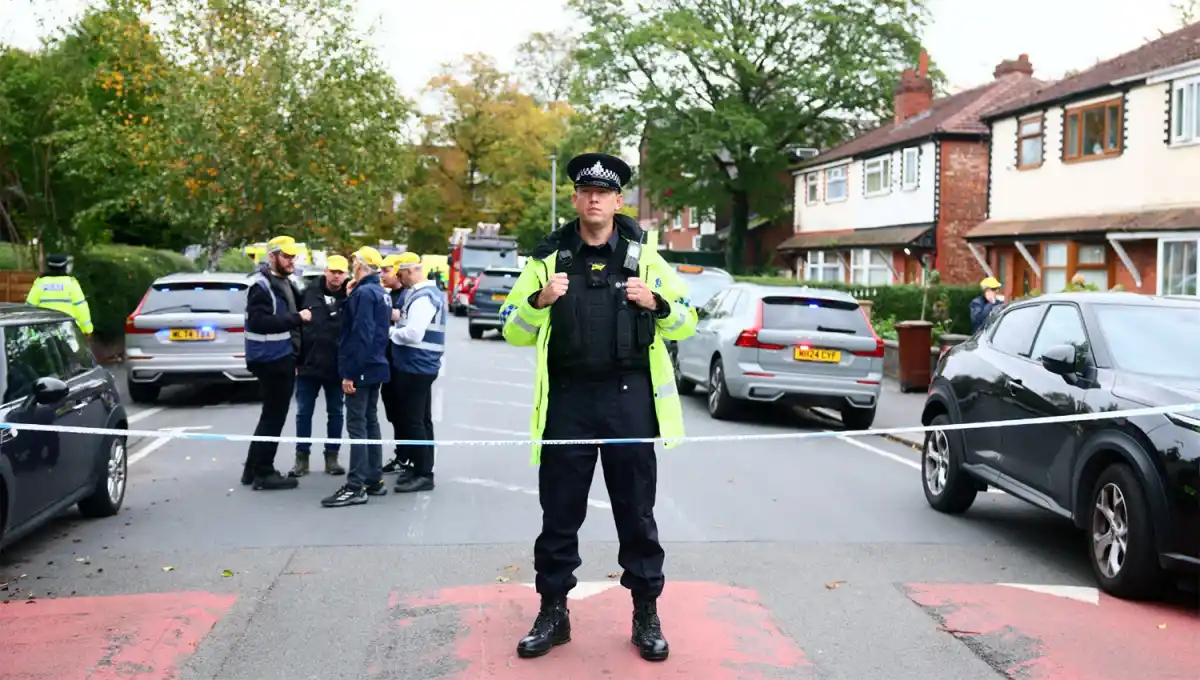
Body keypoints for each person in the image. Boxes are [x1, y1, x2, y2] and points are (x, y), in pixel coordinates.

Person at [499, 152, 696, 662]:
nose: (594, 199)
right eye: (587, 191)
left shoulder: (645, 259)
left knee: (637, 513)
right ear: (575, 199)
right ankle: (553, 612)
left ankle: (646, 613)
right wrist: (537, 302)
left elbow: (688, 320)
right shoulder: (546, 260)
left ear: (617, 201)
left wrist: (658, 303)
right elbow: (511, 329)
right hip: (568, 401)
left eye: (604, 193)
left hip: (628, 400)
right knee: (559, 513)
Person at [321, 246, 392, 508]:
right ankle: (373, 479)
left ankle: (355, 486)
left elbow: (361, 334)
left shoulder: (364, 293)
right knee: (370, 422)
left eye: (354, 263)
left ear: (361, 265)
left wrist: (351, 373)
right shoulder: (379, 292)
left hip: (361, 367)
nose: (352, 266)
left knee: (357, 425)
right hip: (376, 365)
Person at [241, 235, 312, 490]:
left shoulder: (284, 282)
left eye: (293, 256)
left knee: (269, 415)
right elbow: (259, 322)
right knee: (274, 416)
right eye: (286, 256)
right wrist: (297, 318)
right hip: (271, 358)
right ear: (272, 256)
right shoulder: (261, 286)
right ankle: (264, 472)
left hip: (280, 356)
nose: (291, 261)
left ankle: (252, 470)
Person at [388, 251, 445, 493]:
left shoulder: (423, 297)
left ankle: (423, 473)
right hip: (420, 365)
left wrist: (390, 333)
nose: (399, 279)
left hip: (416, 366)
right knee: (421, 420)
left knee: (414, 421)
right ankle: (420, 467)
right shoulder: (424, 293)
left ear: (411, 271)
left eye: (401, 274)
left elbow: (413, 334)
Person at [289, 255, 350, 478]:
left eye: (340, 272)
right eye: (333, 271)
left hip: (336, 366)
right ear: (326, 271)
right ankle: (301, 458)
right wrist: (296, 359)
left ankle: (332, 457)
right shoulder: (308, 292)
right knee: (304, 412)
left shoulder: (350, 295)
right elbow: (295, 326)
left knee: (336, 412)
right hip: (308, 364)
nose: (336, 276)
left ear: (346, 274)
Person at [379, 254, 415, 482]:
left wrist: (397, 317)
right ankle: (402, 455)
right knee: (393, 412)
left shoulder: (407, 295)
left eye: (386, 270)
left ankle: (409, 457)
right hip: (387, 363)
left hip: (403, 364)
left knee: (407, 414)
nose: (382, 274)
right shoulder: (387, 294)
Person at [26, 254, 94, 337]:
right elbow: (81, 307)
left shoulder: (41, 283)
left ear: (49, 267)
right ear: (65, 267)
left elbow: (29, 307)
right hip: (68, 332)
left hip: (45, 333)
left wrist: (29, 332)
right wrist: (87, 329)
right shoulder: (71, 283)